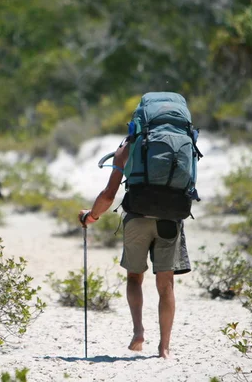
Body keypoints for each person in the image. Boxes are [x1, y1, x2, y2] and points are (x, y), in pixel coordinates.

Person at [78, 140, 188, 359]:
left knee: (134, 279)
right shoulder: (181, 142)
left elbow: (109, 194)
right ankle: (164, 348)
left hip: (137, 218)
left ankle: (138, 331)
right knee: (166, 285)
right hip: (170, 218)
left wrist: (92, 215)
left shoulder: (128, 146)